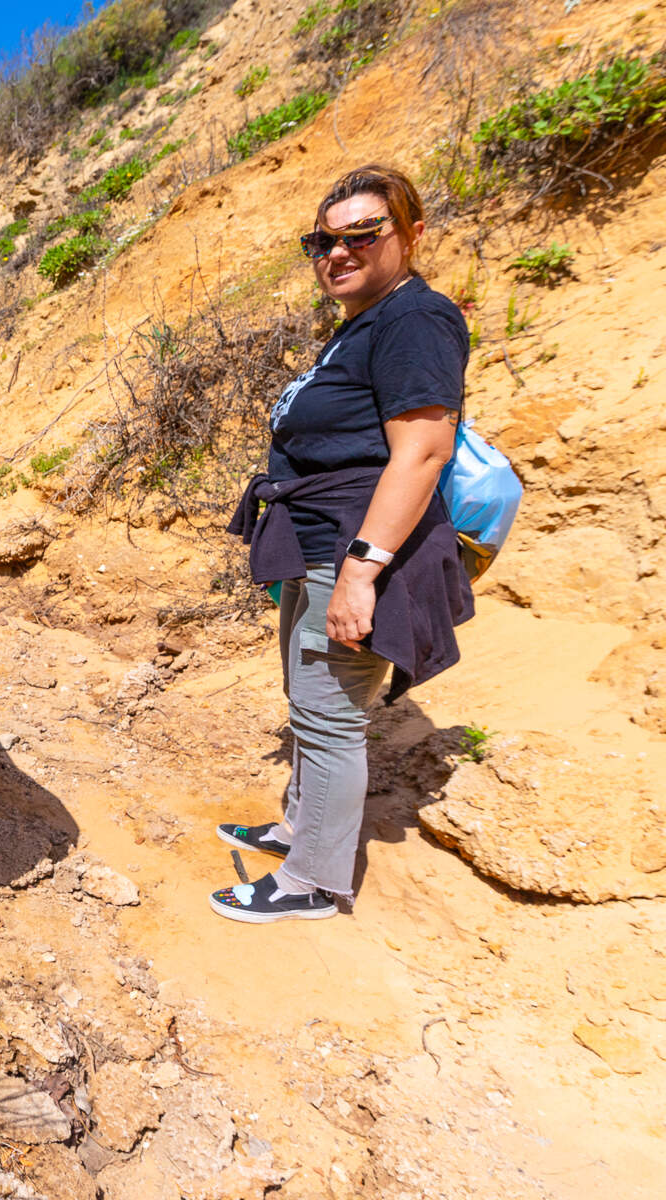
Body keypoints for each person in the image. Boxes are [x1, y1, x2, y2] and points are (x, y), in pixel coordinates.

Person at [212, 164, 474, 923]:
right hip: (319, 543)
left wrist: (363, 572)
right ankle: (300, 830)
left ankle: (311, 883)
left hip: (354, 549)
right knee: (308, 698)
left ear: (411, 234)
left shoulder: (414, 320)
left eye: (363, 234)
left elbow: (422, 453)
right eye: (323, 241)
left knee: (330, 715)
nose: (338, 252)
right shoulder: (364, 324)